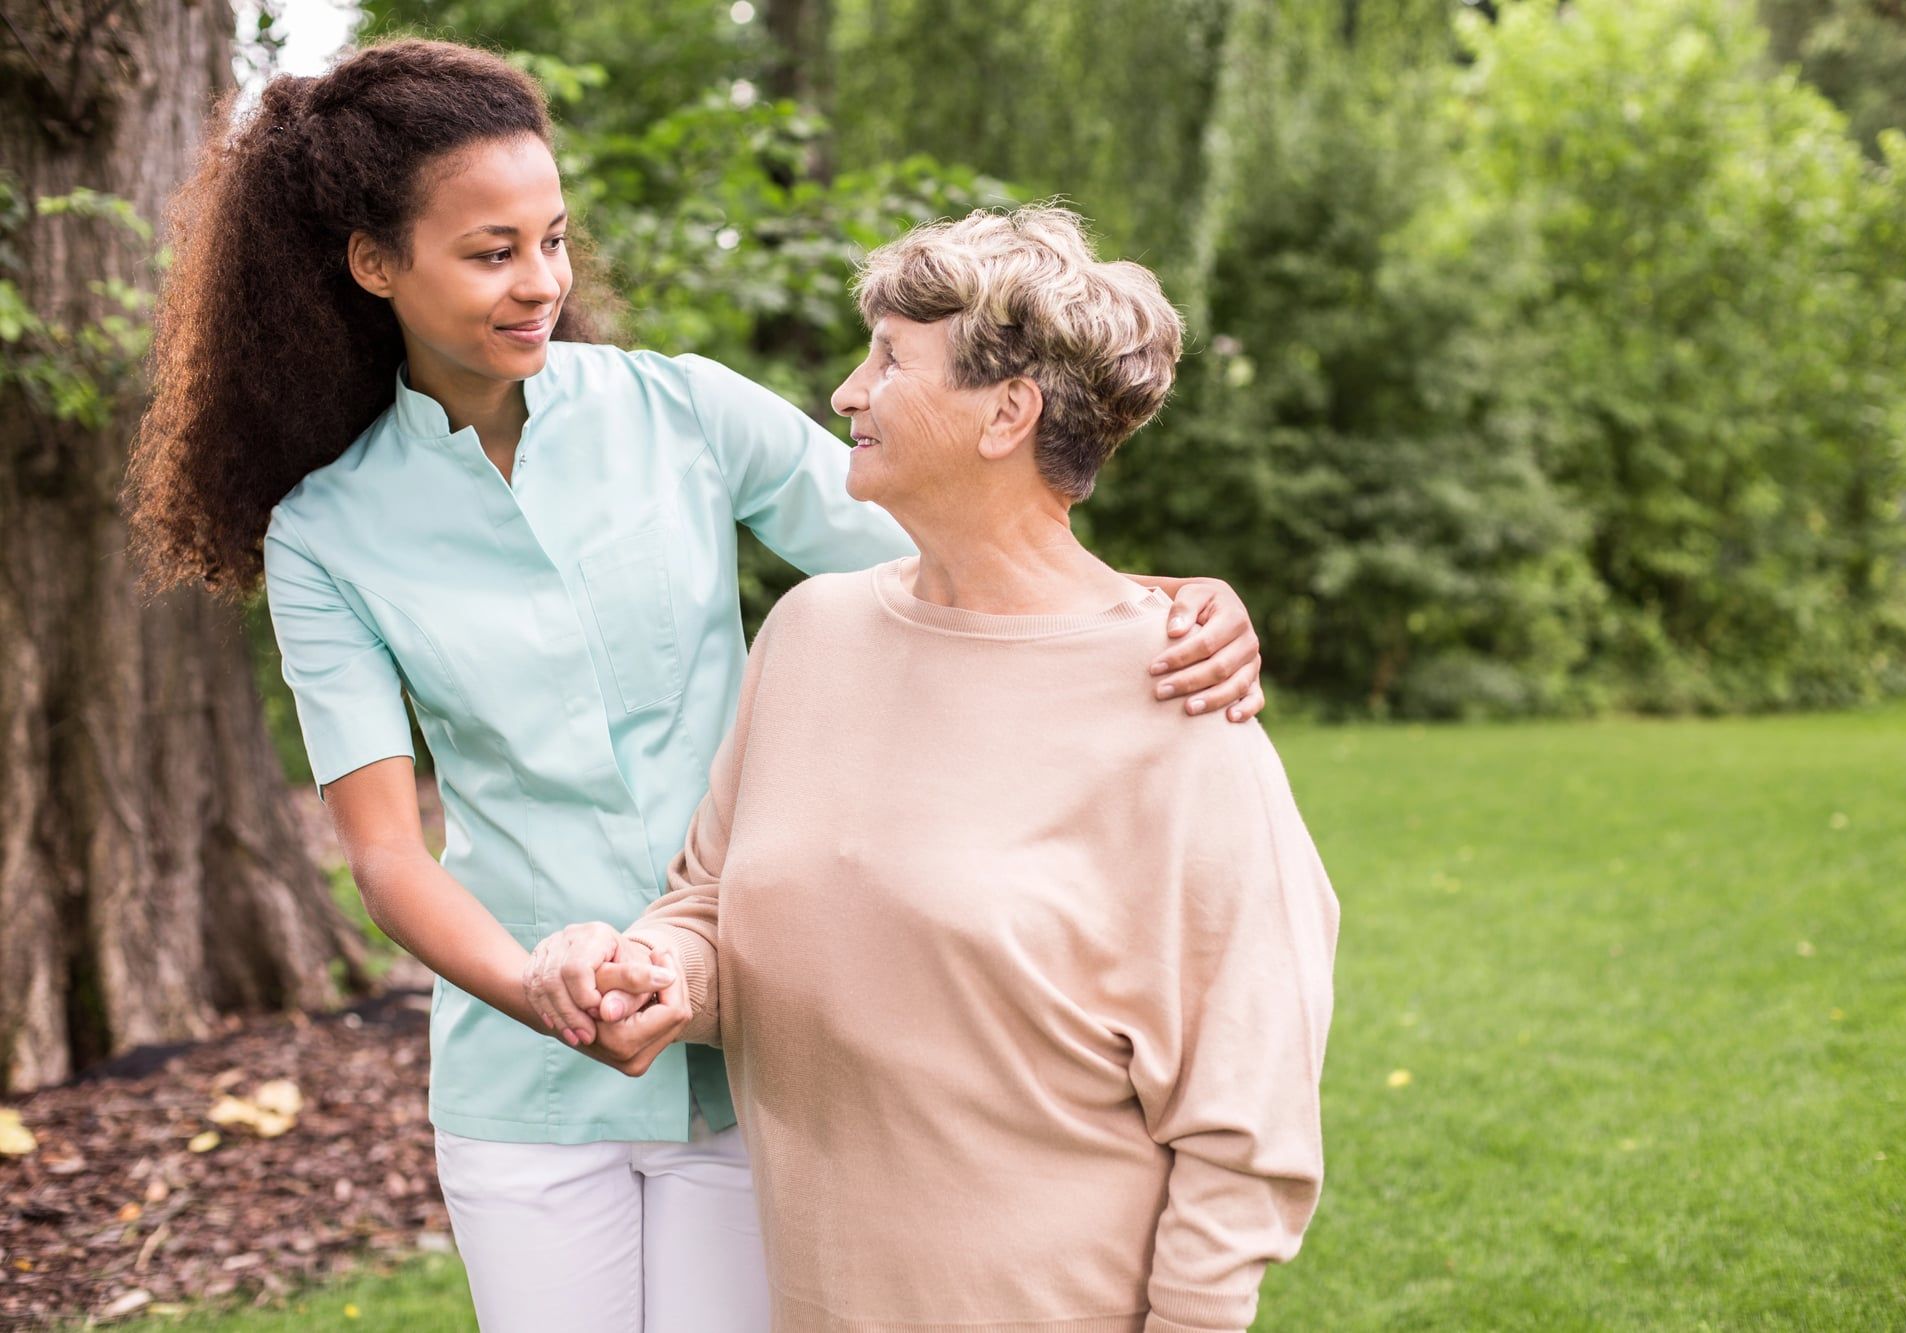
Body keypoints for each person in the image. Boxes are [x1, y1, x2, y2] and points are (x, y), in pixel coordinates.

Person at [123, 40, 1271, 1333]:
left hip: (756, 1052)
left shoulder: (685, 413)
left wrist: (1157, 603)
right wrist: (536, 988)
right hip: (523, 1087)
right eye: (493, 252)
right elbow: (387, 856)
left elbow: (974, 555)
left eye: (554, 239)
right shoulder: (326, 533)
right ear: (374, 264)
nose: (541, 281)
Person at [527, 206, 1339, 1332]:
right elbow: (712, 901)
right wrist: (656, 970)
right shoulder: (810, 633)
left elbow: (1246, 1109)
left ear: (1008, 412)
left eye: (889, 361)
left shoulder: (1182, 706)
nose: (846, 394)